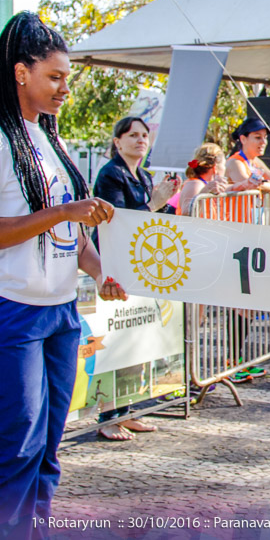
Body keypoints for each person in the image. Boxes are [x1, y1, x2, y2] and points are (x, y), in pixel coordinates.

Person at [0, 12, 128, 536]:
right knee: (20, 444)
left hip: (60, 314)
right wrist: (64, 212)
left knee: (49, 443)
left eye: (67, 78)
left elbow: (70, 236)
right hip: (14, 311)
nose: (64, 89)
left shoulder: (51, 140)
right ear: (19, 73)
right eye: (54, 77)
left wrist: (100, 272)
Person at [91, 116, 181, 440]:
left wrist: (170, 201)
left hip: (141, 267)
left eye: (144, 135)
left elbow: (155, 216)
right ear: (117, 142)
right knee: (116, 344)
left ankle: (129, 410)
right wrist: (155, 202)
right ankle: (108, 417)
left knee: (136, 343)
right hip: (115, 268)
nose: (140, 140)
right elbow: (118, 222)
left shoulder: (143, 175)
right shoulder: (110, 174)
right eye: (132, 135)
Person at [176, 143, 259, 216]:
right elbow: (186, 213)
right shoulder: (195, 184)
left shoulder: (208, 185)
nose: (225, 168)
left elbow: (232, 188)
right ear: (215, 167)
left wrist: (246, 183)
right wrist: (206, 190)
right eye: (224, 164)